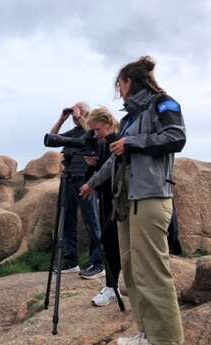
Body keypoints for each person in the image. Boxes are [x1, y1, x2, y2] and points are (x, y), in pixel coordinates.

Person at [80, 56, 186, 345]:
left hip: (150, 199)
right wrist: (91, 183)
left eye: (120, 83)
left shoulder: (163, 104)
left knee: (152, 273)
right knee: (132, 271)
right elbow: (115, 161)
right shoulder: (129, 119)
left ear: (129, 82)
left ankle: (166, 340)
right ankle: (147, 334)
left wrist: (133, 143)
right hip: (126, 203)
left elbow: (176, 137)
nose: (118, 89)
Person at [50, 102, 105, 279]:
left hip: (86, 179)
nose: (76, 115)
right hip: (68, 178)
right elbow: (52, 138)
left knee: (92, 221)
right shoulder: (73, 133)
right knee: (67, 220)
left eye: (81, 111)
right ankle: (70, 260)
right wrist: (62, 119)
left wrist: (80, 116)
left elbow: (91, 132)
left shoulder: (93, 131)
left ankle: (99, 262)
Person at [84, 107, 122, 306]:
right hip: (105, 200)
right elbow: (100, 172)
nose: (95, 134)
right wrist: (92, 165)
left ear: (107, 124)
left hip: (116, 202)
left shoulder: (116, 142)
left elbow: (111, 172)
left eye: (97, 129)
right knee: (109, 243)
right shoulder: (102, 144)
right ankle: (112, 286)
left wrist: (92, 181)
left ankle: (112, 287)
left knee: (112, 243)